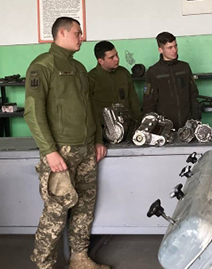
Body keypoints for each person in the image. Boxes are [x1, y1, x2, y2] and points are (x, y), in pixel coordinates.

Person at [24, 17, 110, 269]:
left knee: (84, 207)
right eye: (77, 33)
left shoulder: (80, 68)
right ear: (62, 33)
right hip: (61, 150)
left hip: (86, 149)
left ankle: (79, 258)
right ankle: (44, 265)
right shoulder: (42, 66)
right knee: (56, 211)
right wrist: (49, 151)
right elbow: (33, 113)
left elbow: (90, 106)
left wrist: (97, 139)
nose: (81, 37)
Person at [142, 32, 201, 129]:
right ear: (160, 50)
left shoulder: (184, 67)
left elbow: (193, 94)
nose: (174, 50)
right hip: (165, 127)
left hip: (187, 125)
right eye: (170, 47)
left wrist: (196, 118)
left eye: (175, 46)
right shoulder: (153, 72)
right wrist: (153, 126)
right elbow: (149, 103)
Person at [88, 41, 142, 130]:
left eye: (116, 55)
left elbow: (133, 100)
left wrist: (139, 122)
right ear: (101, 61)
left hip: (129, 125)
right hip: (104, 128)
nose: (116, 59)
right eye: (111, 57)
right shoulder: (91, 78)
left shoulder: (123, 73)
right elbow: (88, 108)